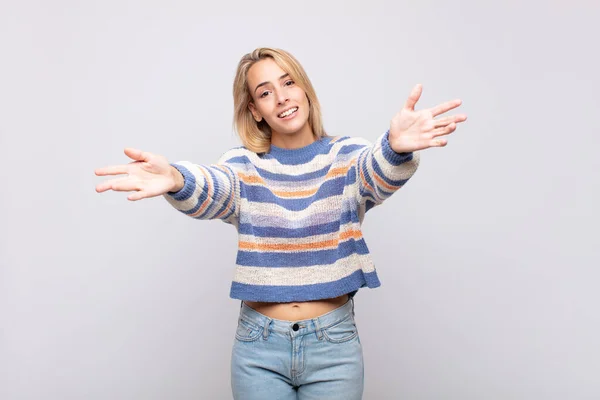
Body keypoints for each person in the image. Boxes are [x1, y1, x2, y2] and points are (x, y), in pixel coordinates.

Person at [95, 47, 467, 399]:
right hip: (259, 348)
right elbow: (216, 188)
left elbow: (377, 173)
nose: (282, 97)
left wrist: (395, 147)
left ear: (304, 89)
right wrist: (177, 179)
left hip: (334, 345)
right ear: (255, 110)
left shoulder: (346, 155)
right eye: (265, 92)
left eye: (289, 83)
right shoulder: (244, 165)